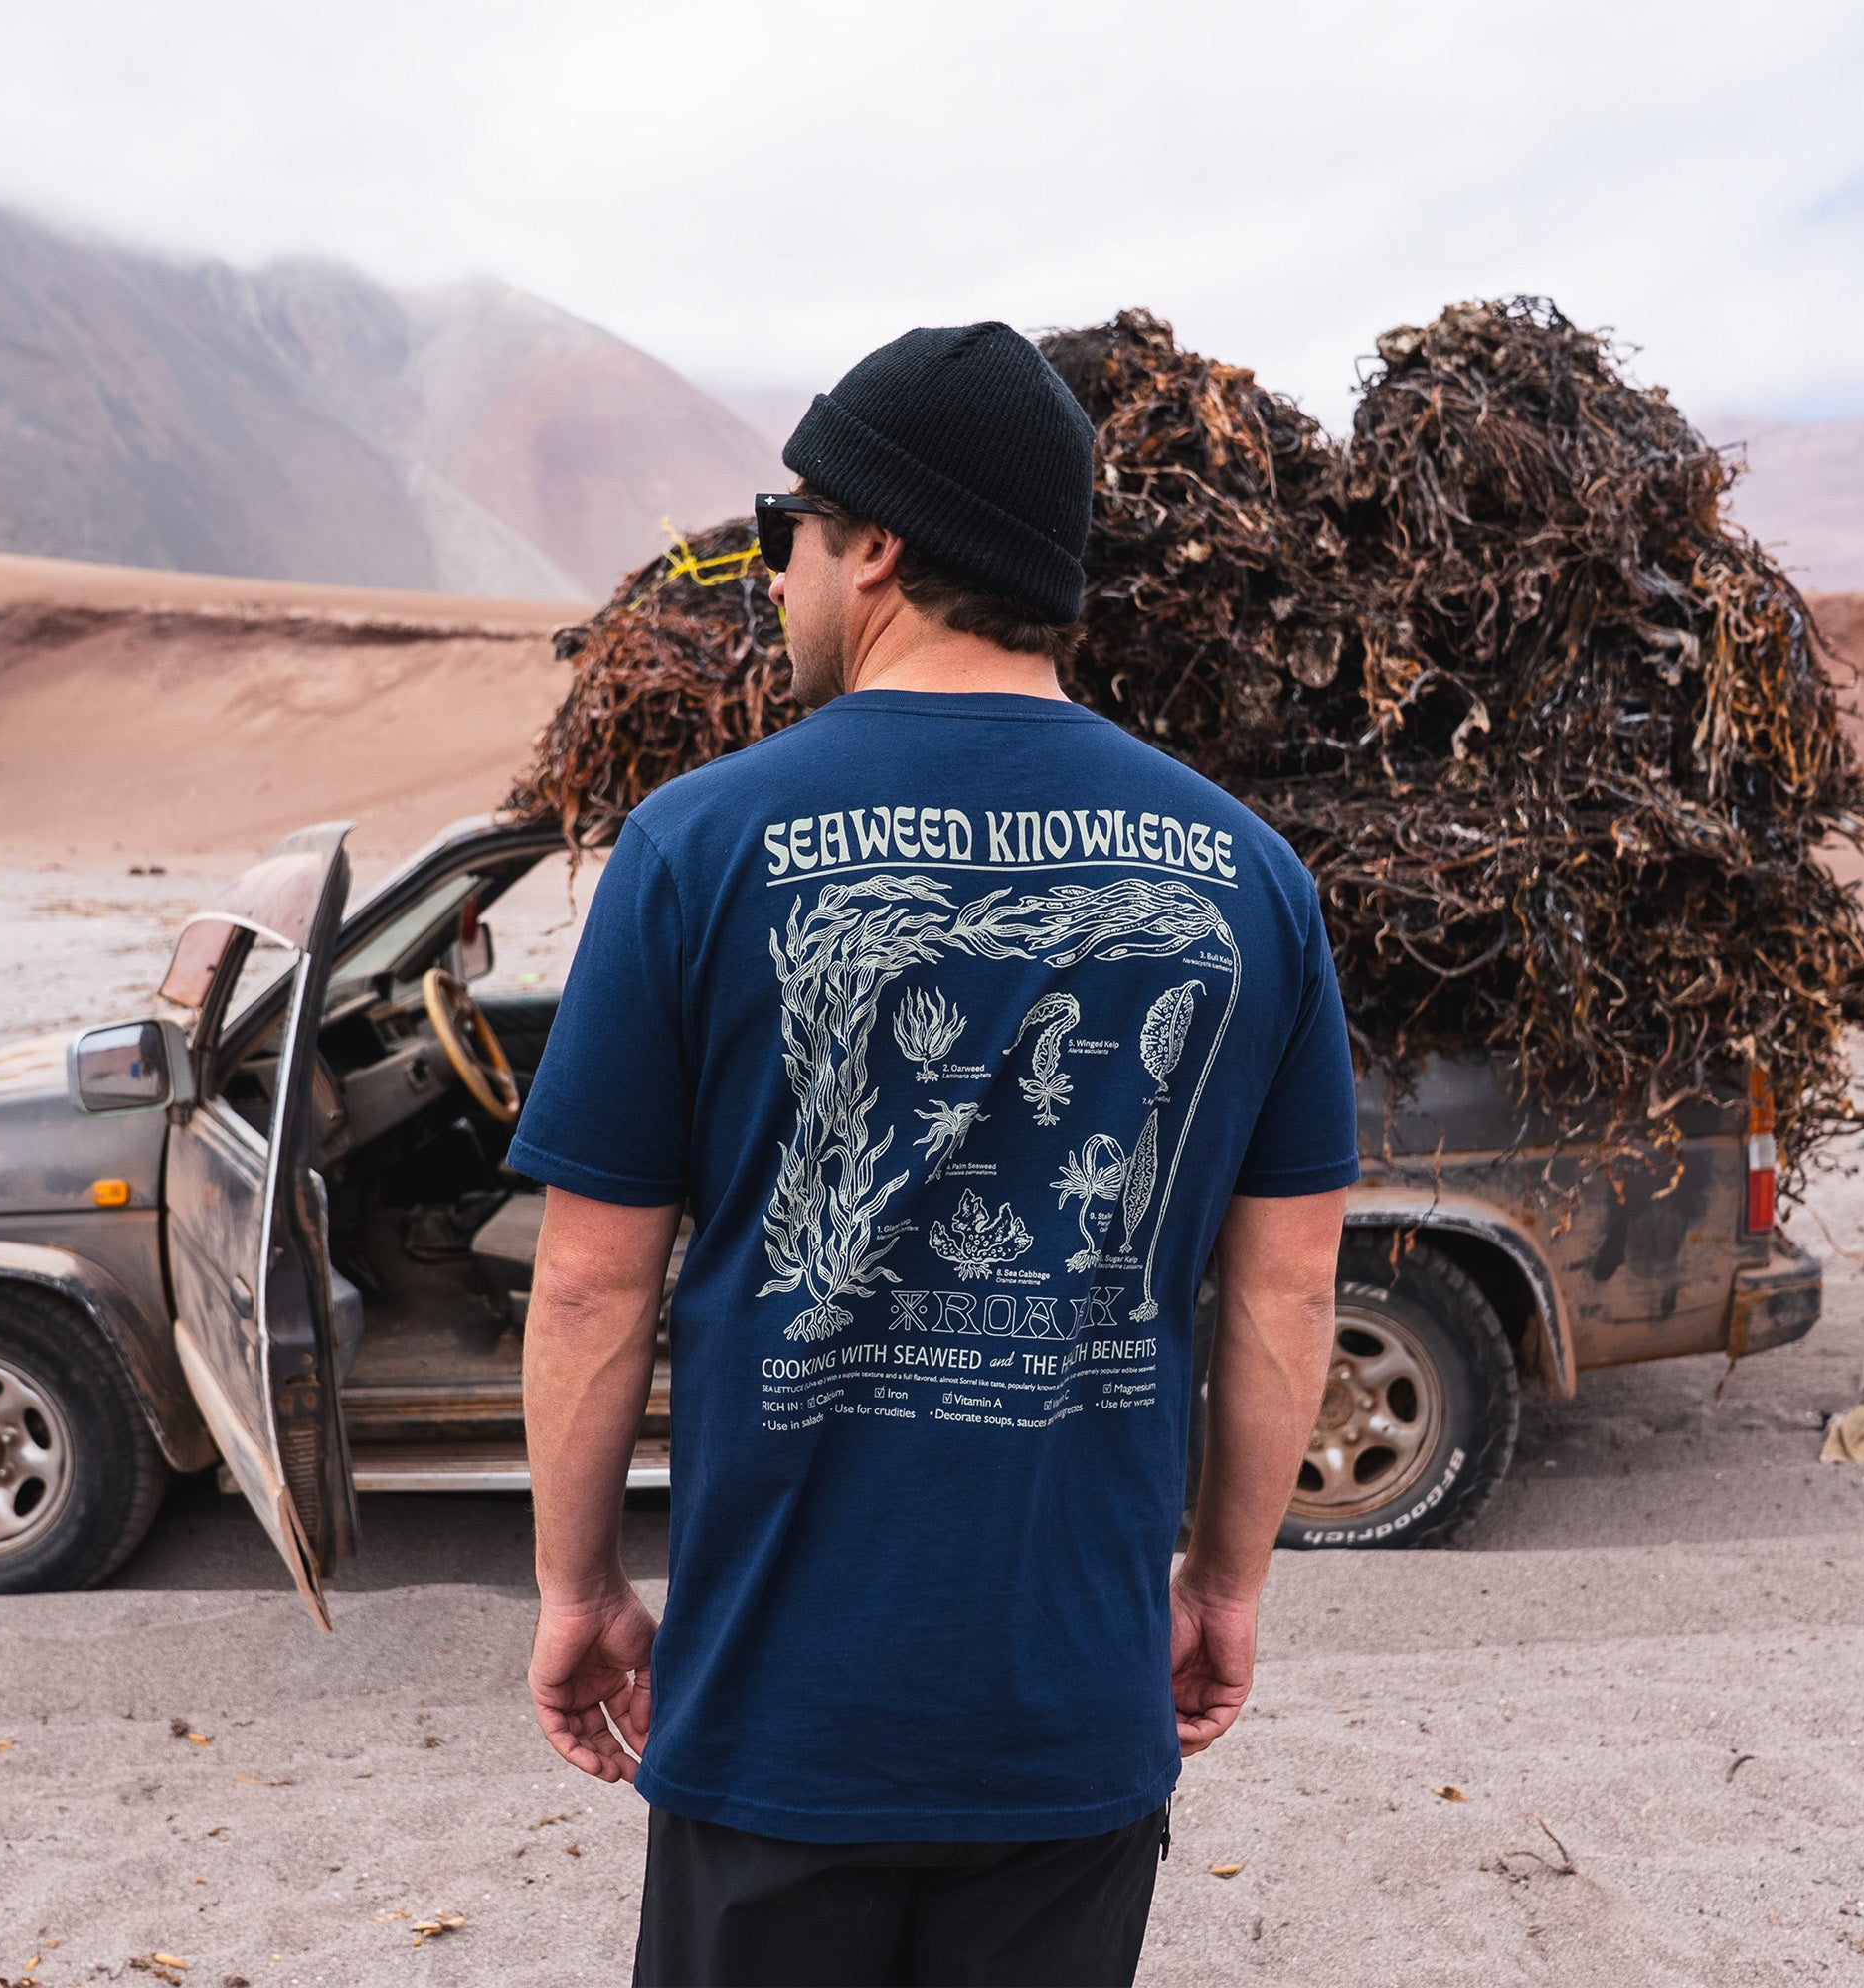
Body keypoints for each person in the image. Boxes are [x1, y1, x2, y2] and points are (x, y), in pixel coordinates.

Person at [511, 321, 1357, 1987]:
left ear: (877, 546)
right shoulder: (1254, 878)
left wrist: (580, 1589)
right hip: (1070, 1715)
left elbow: (594, 1286)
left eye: (787, 536)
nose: (773, 583)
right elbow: (1289, 1282)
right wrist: (1227, 1585)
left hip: (777, 1712)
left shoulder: (696, 846)